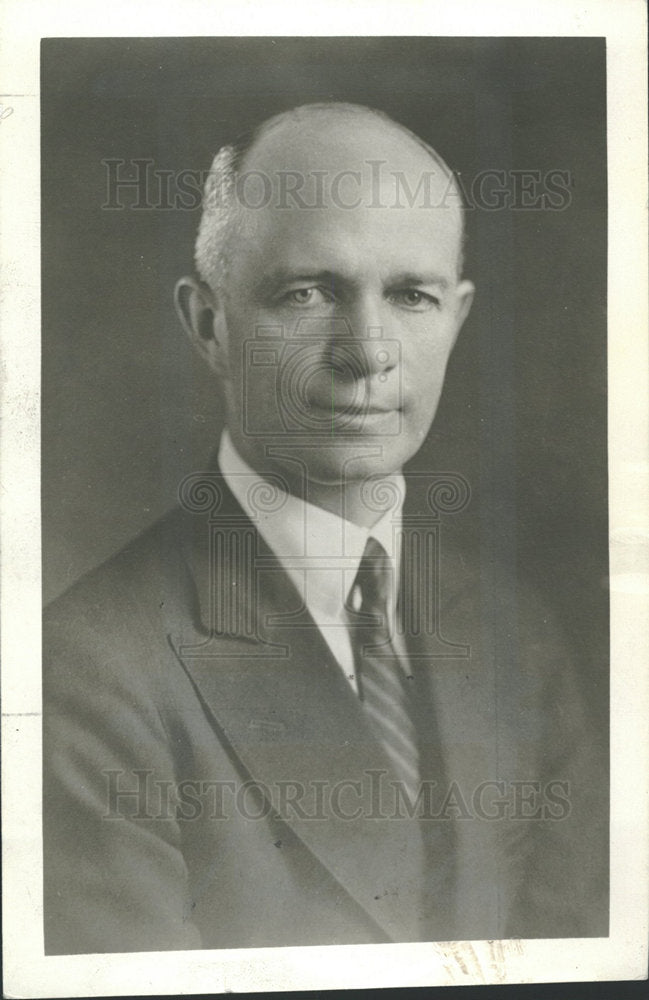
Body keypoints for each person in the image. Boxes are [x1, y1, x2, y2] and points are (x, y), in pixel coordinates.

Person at [43, 102, 607, 954]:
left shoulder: (515, 634)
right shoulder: (82, 674)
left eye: (411, 296)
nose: (367, 352)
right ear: (208, 321)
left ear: (456, 319)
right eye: (307, 293)